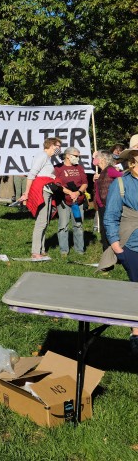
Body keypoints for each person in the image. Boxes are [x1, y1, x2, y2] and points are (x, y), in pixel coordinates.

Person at [102, 149, 138, 356]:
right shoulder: (121, 184)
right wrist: (117, 247)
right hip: (132, 245)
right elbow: (111, 217)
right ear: (133, 160)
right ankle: (136, 333)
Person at [18, 137, 63, 259]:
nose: (59, 148)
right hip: (41, 191)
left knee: (45, 220)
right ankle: (35, 251)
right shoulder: (42, 156)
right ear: (52, 145)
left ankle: (41, 249)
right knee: (41, 222)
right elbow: (32, 174)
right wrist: (26, 193)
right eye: (58, 146)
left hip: (48, 191)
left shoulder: (48, 158)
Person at [53, 147, 87, 257]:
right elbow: (57, 184)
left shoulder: (80, 168)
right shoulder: (58, 168)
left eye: (79, 156)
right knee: (63, 225)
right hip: (63, 201)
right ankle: (64, 250)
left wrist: (78, 193)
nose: (78, 158)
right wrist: (69, 192)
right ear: (68, 155)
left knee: (78, 225)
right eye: (76, 156)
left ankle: (79, 250)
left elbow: (85, 183)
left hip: (78, 201)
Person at [93, 150, 122, 250]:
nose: (95, 159)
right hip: (102, 205)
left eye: (97, 157)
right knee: (103, 229)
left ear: (102, 159)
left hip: (108, 205)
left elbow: (123, 177)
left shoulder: (110, 170)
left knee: (108, 229)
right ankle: (107, 252)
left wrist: (120, 172)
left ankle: (112, 252)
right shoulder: (103, 172)